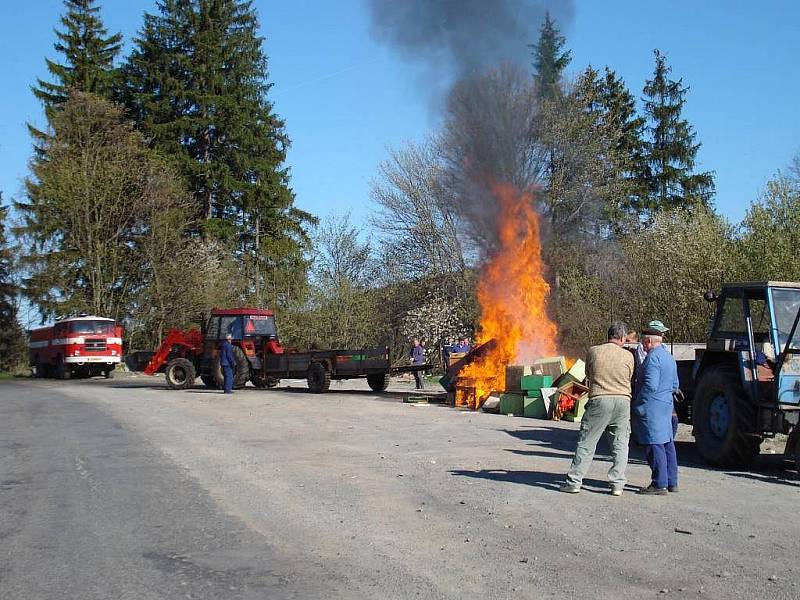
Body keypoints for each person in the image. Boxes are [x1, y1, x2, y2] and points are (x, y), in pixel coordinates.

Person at [560, 321, 635, 496]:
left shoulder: (594, 351)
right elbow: (630, 375)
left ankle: (574, 482)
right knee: (620, 445)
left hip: (600, 399)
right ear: (623, 338)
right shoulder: (628, 356)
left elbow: (588, 374)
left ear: (608, 336)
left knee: (587, 442)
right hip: (623, 402)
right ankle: (617, 484)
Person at [632, 329, 680, 495]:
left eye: (644, 342)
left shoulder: (652, 358)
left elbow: (651, 385)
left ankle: (659, 483)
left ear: (649, 342)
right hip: (667, 405)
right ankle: (672, 481)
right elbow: (675, 385)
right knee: (667, 444)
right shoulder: (669, 357)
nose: (643, 345)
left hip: (652, 408)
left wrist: (640, 404)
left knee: (654, 444)